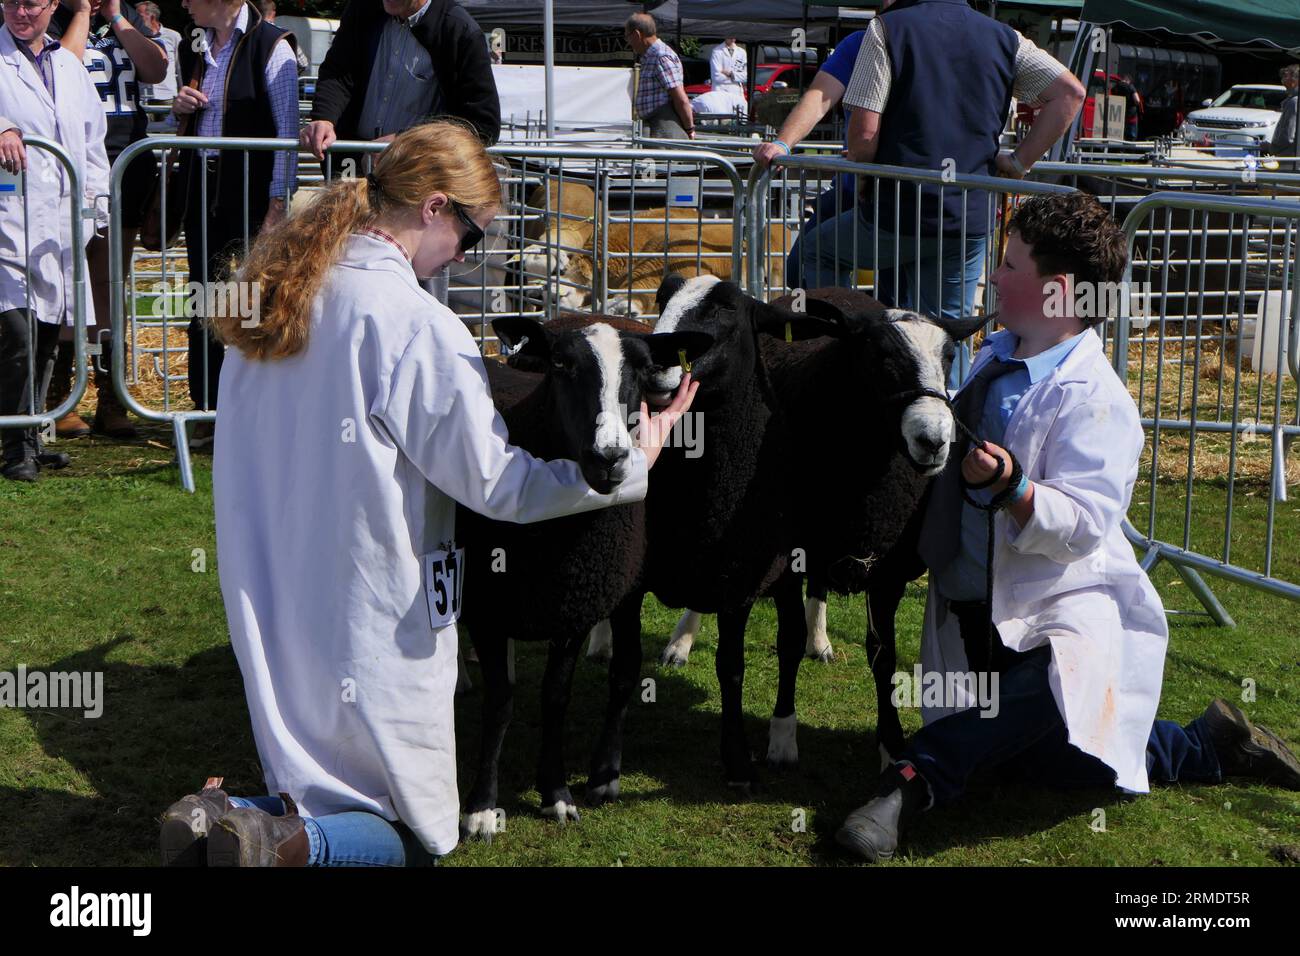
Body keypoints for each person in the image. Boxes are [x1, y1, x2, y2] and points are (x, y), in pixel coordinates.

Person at [156, 121, 698, 866]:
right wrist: (633, 465)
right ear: (436, 207)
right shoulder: (417, 325)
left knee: (313, 771)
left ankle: (223, 816)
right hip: (377, 607)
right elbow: (500, 483)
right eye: (472, 238)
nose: (467, 258)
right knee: (414, 830)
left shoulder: (273, 302)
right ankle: (271, 845)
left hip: (275, 589)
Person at [834, 193, 1300, 862]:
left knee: (1044, 697)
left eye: (1009, 264)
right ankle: (1202, 745)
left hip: (1058, 615)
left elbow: (1083, 523)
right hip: (974, 613)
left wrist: (1015, 489)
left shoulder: (1097, 399)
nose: (994, 276)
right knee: (1050, 759)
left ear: (1054, 293)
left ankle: (909, 785)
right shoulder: (993, 355)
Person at [798, 0, 1084, 384]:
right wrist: (1018, 162)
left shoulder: (887, 29)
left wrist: (864, 174)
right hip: (967, 218)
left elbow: (864, 133)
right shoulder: (1005, 38)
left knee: (813, 252)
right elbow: (1070, 94)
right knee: (948, 334)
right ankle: (957, 425)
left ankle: (840, 366)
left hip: (897, 211)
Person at [172, 0, 298, 442]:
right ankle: (206, 407)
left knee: (248, 300)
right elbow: (185, 123)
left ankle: (249, 411)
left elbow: (287, 134)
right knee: (202, 294)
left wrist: (277, 203)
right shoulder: (195, 46)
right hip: (203, 189)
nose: (185, 2)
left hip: (249, 193)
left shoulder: (272, 47)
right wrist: (180, 107)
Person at [41, 0, 166, 441]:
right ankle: (61, 400)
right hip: (71, 161)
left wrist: (115, 18)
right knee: (67, 281)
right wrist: (79, 15)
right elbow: (60, 74)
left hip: (125, 161)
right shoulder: (51, 17)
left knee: (109, 282)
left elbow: (156, 69)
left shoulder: (124, 14)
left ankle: (112, 398)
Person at [0, 0, 108, 480]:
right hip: (7, 218)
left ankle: (34, 434)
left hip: (61, 223)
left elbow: (92, 140)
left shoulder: (68, 65)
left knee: (46, 334)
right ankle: (13, 446)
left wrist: (96, 205)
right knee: (17, 333)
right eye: (9, 3)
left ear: (52, 6)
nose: (20, 13)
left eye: (31, 4)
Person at [300, 0, 501, 165]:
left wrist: (405, 141)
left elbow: (483, 125)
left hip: (415, 172)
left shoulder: (459, 30)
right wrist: (324, 118)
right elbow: (338, 70)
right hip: (352, 163)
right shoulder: (363, 10)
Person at [752, 27, 868, 290]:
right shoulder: (862, 42)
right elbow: (819, 98)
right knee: (801, 269)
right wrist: (783, 143)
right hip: (856, 188)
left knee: (903, 298)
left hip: (902, 194)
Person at [625, 12, 693, 141]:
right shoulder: (650, 56)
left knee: (668, 160)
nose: (629, 42)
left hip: (666, 126)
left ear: (637, 34)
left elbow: (680, 98)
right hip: (656, 125)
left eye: (628, 37)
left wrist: (690, 129)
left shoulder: (661, 56)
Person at [135, 2, 182, 104]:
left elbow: (179, 67)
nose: (135, 19)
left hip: (168, 96)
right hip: (143, 97)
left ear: (152, 17)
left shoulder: (173, 36)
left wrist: (182, 92)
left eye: (139, 16)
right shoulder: (135, 37)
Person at [256, 0, 308, 74]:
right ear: (274, 14)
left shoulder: (248, 34)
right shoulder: (284, 36)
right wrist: (290, 73)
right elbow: (303, 64)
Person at [1269, 64, 1298, 160]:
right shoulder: (1292, 101)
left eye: (1286, 76)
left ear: (1295, 81)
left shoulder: (1294, 102)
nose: (1282, 80)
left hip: (1289, 159)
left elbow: (1289, 136)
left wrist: (1271, 148)